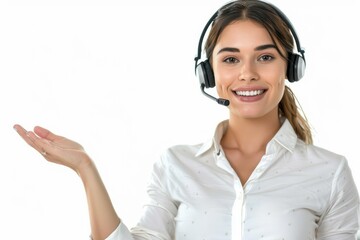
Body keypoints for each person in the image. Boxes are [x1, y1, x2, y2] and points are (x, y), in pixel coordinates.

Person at [14, 0, 359, 239]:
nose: (248, 74)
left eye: (265, 57)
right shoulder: (175, 164)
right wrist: (85, 168)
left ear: (291, 67)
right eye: (230, 59)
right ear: (208, 73)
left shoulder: (330, 173)